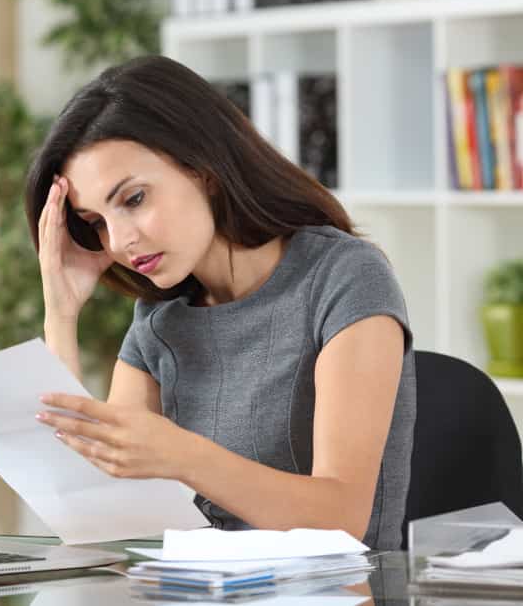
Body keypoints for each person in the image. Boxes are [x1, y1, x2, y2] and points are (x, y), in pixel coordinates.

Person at [24, 55, 415, 550]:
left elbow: (340, 518)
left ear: (202, 168)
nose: (119, 240)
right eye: (97, 221)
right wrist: (61, 313)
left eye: (134, 199)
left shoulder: (343, 277)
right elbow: (99, 514)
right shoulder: (160, 318)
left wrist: (182, 455)